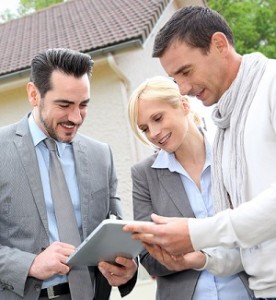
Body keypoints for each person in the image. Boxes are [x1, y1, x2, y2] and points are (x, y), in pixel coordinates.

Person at [124, 6, 276, 300]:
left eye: (185, 71)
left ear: (219, 45)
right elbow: (253, 247)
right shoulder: (225, 126)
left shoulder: (271, 86)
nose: (183, 87)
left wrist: (197, 233)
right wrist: (203, 259)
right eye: (174, 77)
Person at [0, 48, 137, 300]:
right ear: (34, 94)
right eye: (64, 105)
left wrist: (127, 266)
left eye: (83, 105)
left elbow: (117, 228)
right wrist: (29, 264)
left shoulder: (101, 155)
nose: (75, 117)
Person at [127, 75, 253, 300]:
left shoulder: (233, 153)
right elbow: (148, 257)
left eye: (158, 118)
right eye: (145, 128)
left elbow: (258, 230)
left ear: (184, 105)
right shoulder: (144, 174)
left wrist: (191, 248)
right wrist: (185, 256)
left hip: (248, 293)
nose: (154, 134)